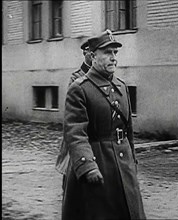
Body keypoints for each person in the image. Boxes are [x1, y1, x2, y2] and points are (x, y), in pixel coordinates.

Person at [61, 29, 146, 220]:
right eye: (107, 53)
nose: (113, 58)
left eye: (115, 53)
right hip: (97, 164)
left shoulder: (122, 87)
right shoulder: (80, 88)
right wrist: (88, 166)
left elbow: (128, 131)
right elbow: (75, 132)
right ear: (92, 56)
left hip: (122, 167)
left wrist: (132, 161)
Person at [55, 39, 93, 189]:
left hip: (93, 132)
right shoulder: (76, 77)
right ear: (84, 53)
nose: (92, 55)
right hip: (78, 129)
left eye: (94, 52)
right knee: (72, 166)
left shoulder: (102, 76)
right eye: (90, 52)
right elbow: (73, 108)